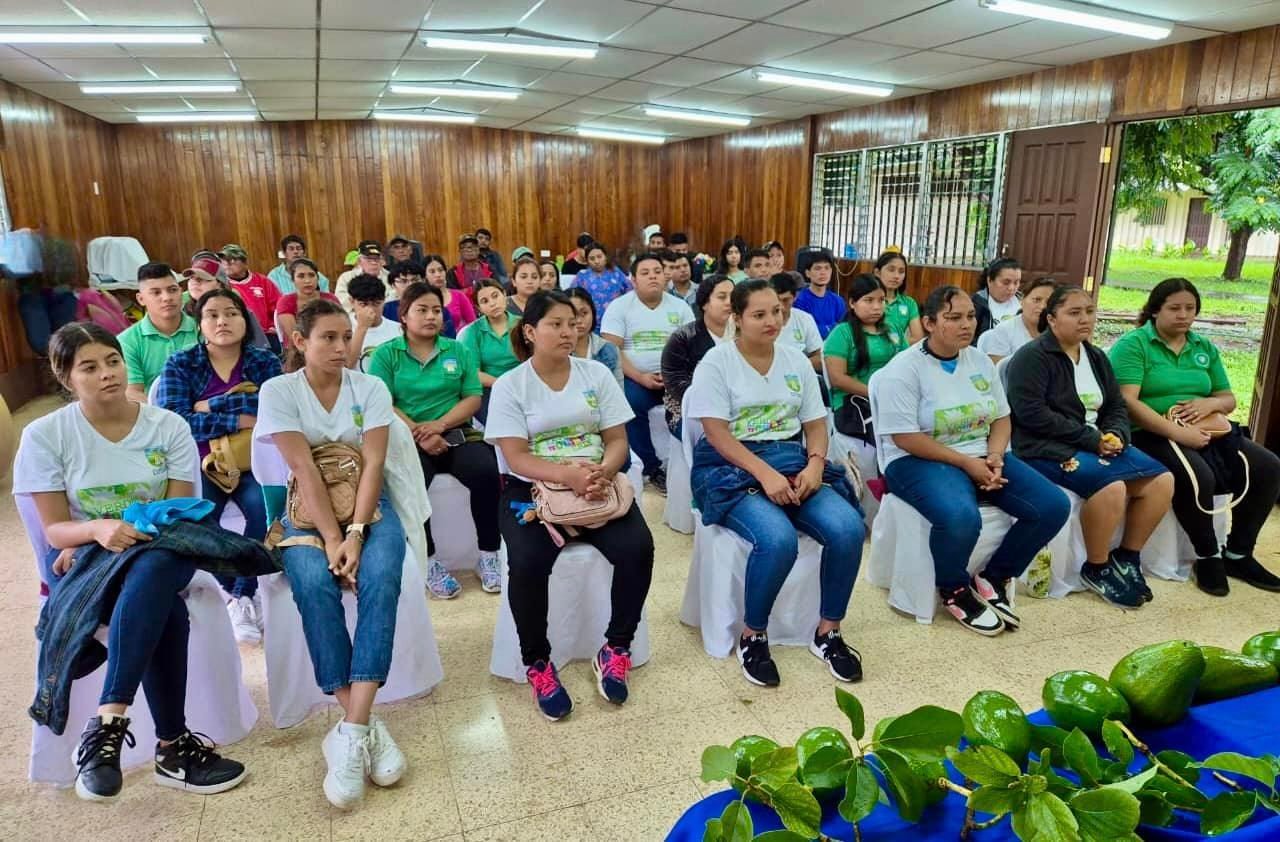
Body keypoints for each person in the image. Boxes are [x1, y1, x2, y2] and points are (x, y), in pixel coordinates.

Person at [14, 323, 248, 802]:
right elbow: (55, 529)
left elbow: (178, 513)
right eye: (89, 367)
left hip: (167, 546)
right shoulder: (46, 435)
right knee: (164, 604)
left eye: (113, 361)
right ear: (65, 377)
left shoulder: (167, 426)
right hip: (92, 557)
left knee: (156, 561)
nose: (107, 374)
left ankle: (109, 723)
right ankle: (174, 749)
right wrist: (94, 531)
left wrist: (117, 532)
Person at [256, 298, 408, 809]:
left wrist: (357, 533)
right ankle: (363, 725)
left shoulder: (370, 387)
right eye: (328, 337)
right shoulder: (280, 391)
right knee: (313, 583)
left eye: (346, 336)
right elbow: (302, 469)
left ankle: (351, 729)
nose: (342, 346)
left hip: (369, 506)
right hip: (305, 513)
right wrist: (331, 538)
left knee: (382, 577)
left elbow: (374, 464)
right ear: (299, 341)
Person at [485, 290, 655, 720]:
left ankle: (616, 648)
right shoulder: (511, 385)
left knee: (638, 548)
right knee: (528, 562)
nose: (568, 331)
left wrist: (603, 472)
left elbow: (617, 440)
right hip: (532, 491)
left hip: (596, 485)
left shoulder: (595, 374)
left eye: (573, 322)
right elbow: (516, 457)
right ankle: (538, 663)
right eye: (555, 324)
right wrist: (568, 477)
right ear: (529, 331)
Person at [687, 279, 866, 687]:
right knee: (777, 538)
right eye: (759, 314)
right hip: (729, 466)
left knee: (848, 529)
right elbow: (716, 433)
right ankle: (753, 635)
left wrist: (815, 465)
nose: (772, 320)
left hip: (791, 459)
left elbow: (815, 424)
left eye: (777, 312)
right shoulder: (717, 363)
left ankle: (828, 632)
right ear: (737, 318)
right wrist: (763, 474)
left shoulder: (795, 360)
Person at [873, 285, 1070, 636]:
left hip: (981, 452)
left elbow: (1001, 418)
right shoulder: (903, 369)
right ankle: (954, 588)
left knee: (1052, 505)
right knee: (961, 517)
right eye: (953, 318)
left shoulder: (978, 361)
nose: (966, 324)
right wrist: (967, 464)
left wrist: (994, 456)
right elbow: (905, 437)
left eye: (970, 316)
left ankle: (994, 576)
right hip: (916, 459)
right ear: (929, 323)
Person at [1109, 278, 1280, 596]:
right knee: (1198, 475)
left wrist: (1209, 404)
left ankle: (1238, 554)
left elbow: (1228, 398)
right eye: (1174, 308)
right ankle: (1208, 555)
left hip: (1207, 428)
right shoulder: (1134, 345)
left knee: (1268, 466)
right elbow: (1127, 402)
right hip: (1152, 431)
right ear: (1155, 310)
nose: (1183, 315)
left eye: (1190, 308)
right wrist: (1178, 432)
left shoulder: (1203, 347)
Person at [1007, 285, 1173, 607]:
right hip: (1044, 447)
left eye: (1089, 311)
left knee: (1161, 481)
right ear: (1052, 319)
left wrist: (1117, 433)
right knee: (1111, 487)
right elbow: (1032, 415)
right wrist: (1092, 440)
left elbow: (1115, 405)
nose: (1085, 319)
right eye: (1074, 313)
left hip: (1097, 442)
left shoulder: (1095, 356)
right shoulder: (1032, 357)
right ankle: (1096, 567)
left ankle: (1127, 557)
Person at [157, 289, 284, 642]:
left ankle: (243, 594)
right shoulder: (181, 364)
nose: (222, 321)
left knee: (264, 509)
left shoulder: (264, 361)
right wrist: (238, 418)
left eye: (231, 313)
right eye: (212, 315)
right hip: (202, 462)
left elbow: (273, 409)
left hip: (253, 459)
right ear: (199, 324)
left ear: (245, 320)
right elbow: (176, 422)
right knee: (199, 517)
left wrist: (210, 405)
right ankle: (235, 593)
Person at [370, 283, 502, 597]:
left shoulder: (457, 350)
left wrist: (439, 426)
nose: (431, 316)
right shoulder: (386, 354)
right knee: (410, 483)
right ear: (404, 316)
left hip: (456, 432)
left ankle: (489, 554)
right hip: (407, 438)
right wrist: (419, 432)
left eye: (436, 310)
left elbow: (472, 398)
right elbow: (382, 402)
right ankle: (428, 560)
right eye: (422, 310)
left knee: (486, 472)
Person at [601, 253, 695, 493]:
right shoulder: (619, 307)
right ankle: (651, 468)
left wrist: (673, 374)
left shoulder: (680, 307)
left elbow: (691, 347)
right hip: (635, 378)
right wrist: (640, 377)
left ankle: (689, 463)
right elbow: (612, 350)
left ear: (665, 276)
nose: (653, 276)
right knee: (629, 404)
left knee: (694, 402)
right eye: (645, 273)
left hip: (675, 377)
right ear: (633, 280)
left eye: (657, 271)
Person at [825, 274, 906, 441]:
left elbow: (908, 364)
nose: (877, 307)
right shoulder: (842, 333)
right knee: (894, 437)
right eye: (869, 300)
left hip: (893, 399)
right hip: (854, 404)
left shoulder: (893, 328)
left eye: (881, 300)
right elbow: (837, 378)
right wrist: (875, 393)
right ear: (852, 303)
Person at [661, 274, 734, 438]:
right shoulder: (683, 337)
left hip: (738, 406)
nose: (729, 302)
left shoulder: (745, 335)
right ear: (704, 303)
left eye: (733, 297)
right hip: (689, 408)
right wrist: (715, 402)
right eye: (722, 297)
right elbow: (674, 381)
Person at [118, 261, 198, 402]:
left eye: (172, 290)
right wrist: (165, 412)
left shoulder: (203, 328)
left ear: (181, 291)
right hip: (155, 411)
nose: (167, 298)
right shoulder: (127, 341)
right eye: (156, 292)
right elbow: (133, 391)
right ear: (141, 299)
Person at [460, 279, 524, 425]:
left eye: (495, 296)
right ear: (478, 307)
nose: (492, 303)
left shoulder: (523, 324)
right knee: (503, 424)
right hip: (489, 389)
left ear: (505, 295)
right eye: (485, 301)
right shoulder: (472, 332)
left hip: (523, 384)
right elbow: (473, 373)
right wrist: (502, 385)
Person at [183, 256, 270, 349]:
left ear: (220, 283)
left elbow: (260, 348)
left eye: (202, 278)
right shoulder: (182, 313)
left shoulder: (241, 312)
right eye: (191, 278)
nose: (195, 282)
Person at [978, 276, 1057, 363]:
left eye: (1049, 302)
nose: (1042, 306)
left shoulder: (1058, 332)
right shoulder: (1003, 331)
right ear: (1022, 300)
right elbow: (999, 368)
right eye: (1037, 300)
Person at [219, 244, 282, 350]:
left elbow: (278, 306)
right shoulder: (221, 285)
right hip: (238, 337)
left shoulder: (262, 281)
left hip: (266, 335)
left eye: (232, 260)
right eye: (224, 260)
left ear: (245, 263)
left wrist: (275, 326)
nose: (227, 264)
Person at [347, 274, 405, 372]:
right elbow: (348, 364)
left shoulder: (398, 330)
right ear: (352, 301)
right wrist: (362, 327)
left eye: (376, 304)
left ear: (384, 300)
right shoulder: (342, 327)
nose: (371, 310)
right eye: (363, 304)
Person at [275, 258, 341, 340]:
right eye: (301, 276)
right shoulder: (286, 302)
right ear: (292, 280)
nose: (307, 280)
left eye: (311, 275)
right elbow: (294, 337)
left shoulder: (330, 299)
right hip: (299, 345)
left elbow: (340, 327)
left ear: (317, 278)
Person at [567, 287, 622, 384]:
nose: (579, 320)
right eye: (573, 314)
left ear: (593, 313)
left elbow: (618, 390)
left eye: (584, 313)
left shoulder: (608, 349)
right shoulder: (555, 350)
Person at [771, 272, 823, 372]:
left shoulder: (805, 319)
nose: (781, 306)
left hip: (800, 373)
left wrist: (794, 366)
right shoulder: (761, 322)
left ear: (795, 297)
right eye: (777, 300)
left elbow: (819, 358)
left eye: (786, 300)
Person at [570, 242, 632, 323]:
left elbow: (630, 290)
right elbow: (572, 295)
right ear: (587, 261)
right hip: (590, 322)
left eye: (599, 257)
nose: (596, 261)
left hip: (616, 319)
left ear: (605, 257)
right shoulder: (582, 275)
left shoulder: (616, 272)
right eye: (592, 259)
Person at [874, 250, 923, 344]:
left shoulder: (909, 303)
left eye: (901, 271)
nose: (896, 276)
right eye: (891, 270)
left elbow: (917, 338)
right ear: (877, 272)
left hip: (899, 352)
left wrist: (892, 345)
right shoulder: (868, 300)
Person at [416, 255, 473, 334]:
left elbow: (473, 324)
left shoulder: (459, 295)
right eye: (432, 271)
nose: (438, 275)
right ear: (425, 276)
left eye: (440, 270)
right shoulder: (419, 298)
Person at [973, 258, 1023, 342]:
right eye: (1006, 282)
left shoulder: (1024, 301)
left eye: (1016, 283)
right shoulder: (976, 303)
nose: (1011, 288)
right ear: (989, 280)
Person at [334, 241, 390, 313]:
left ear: (382, 261)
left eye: (377, 259)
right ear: (359, 261)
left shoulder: (390, 277)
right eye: (369, 259)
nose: (373, 262)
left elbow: (392, 301)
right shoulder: (346, 277)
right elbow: (341, 301)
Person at [450, 233, 493, 302]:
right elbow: (453, 296)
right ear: (460, 251)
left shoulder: (489, 269)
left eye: (473, 246)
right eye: (465, 247)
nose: (469, 250)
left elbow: (495, 289)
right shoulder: (453, 272)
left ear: (478, 250)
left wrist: (466, 291)